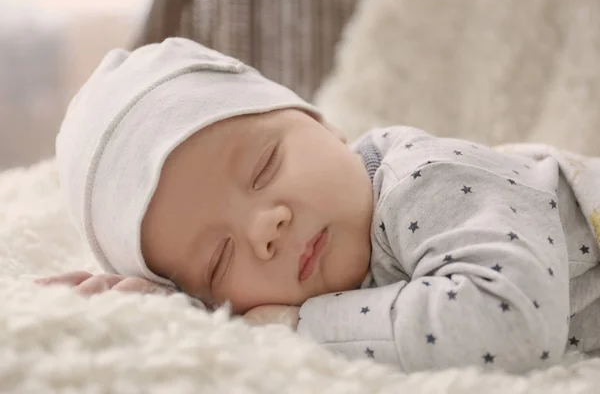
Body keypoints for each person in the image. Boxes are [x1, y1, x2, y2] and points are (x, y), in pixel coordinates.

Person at [39, 37, 600, 373]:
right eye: (218, 260)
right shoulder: (310, 281)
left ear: (322, 123)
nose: (266, 227)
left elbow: (512, 325)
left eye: (263, 168)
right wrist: (188, 316)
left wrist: (293, 323)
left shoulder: (425, 180)